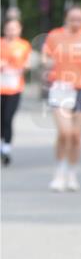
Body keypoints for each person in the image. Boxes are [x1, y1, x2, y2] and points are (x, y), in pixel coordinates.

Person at [42, 5, 81, 191]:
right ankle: (59, 171)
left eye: (80, 19)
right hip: (61, 86)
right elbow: (45, 59)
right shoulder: (54, 36)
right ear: (66, 18)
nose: (76, 23)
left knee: (76, 136)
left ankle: (71, 173)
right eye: (73, 19)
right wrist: (49, 63)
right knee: (65, 133)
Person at [0, 18, 33, 165]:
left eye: (15, 28)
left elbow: (28, 63)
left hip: (14, 87)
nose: (12, 31)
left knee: (7, 118)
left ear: (19, 30)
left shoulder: (24, 45)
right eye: (9, 28)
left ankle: (6, 149)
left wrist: (25, 67)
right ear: (5, 29)